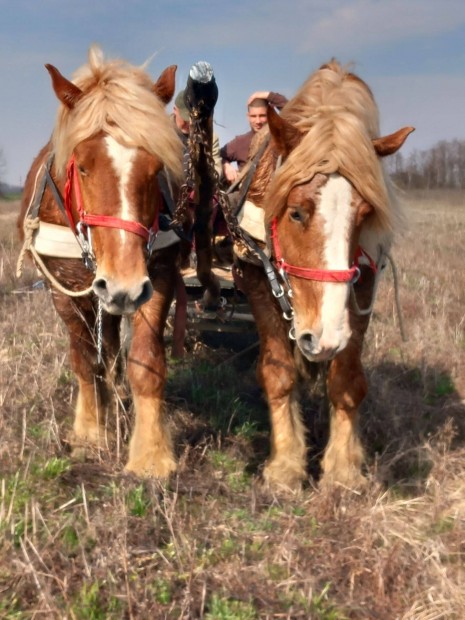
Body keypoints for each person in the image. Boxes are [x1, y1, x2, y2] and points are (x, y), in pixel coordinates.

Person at [220, 90, 288, 184]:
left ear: (270, 114)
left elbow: (294, 111)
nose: (258, 121)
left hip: (275, 193)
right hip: (246, 196)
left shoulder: (280, 137)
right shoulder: (240, 142)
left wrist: (267, 95)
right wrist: (226, 166)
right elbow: (217, 156)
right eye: (253, 116)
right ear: (248, 116)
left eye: (262, 115)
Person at [173, 89, 222, 180]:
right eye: (185, 119)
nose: (190, 123)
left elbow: (216, 167)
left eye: (193, 119)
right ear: (175, 110)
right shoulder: (161, 132)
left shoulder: (210, 138)